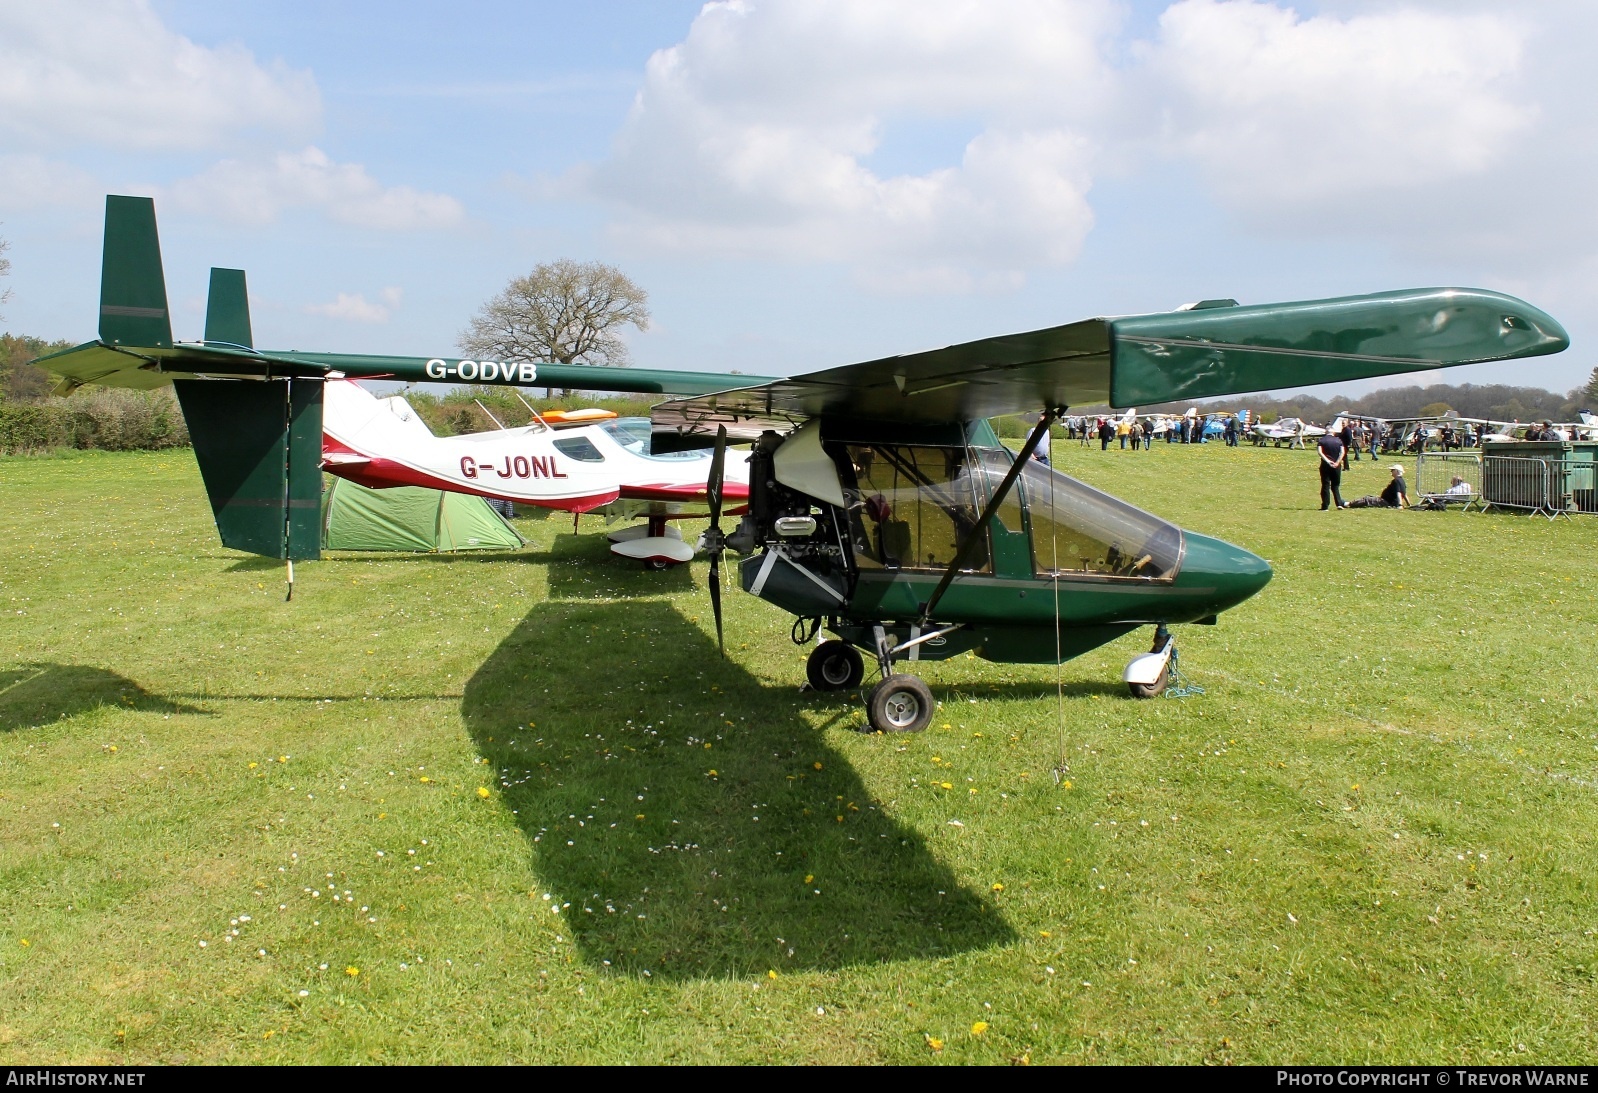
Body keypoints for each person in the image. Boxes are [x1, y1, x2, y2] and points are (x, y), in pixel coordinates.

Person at [1346, 465, 1411, 509]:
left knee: (1367, 499)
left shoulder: (1396, 481)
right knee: (1370, 497)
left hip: (1386, 502)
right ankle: (1350, 503)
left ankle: (1348, 504)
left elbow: (1399, 493)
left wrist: (1400, 505)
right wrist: (1409, 505)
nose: (1391, 471)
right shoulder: (1402, 481)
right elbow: (1404, 494)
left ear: (1397, 471)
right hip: (1387, 501)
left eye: (1392, 470)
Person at [1317, 429, 1346, 510]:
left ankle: (1325, 506)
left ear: (1326, 432)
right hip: (1337, 466)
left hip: (1325, 465)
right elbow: (1342, 452)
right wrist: (1337, 462)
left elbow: (1320, 452)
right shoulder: (1339, 441)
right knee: (1335, 486)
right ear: (1334, 432)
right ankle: (1339, 503)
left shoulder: (1322, 440)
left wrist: (1328, 461)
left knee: (1325, 485)